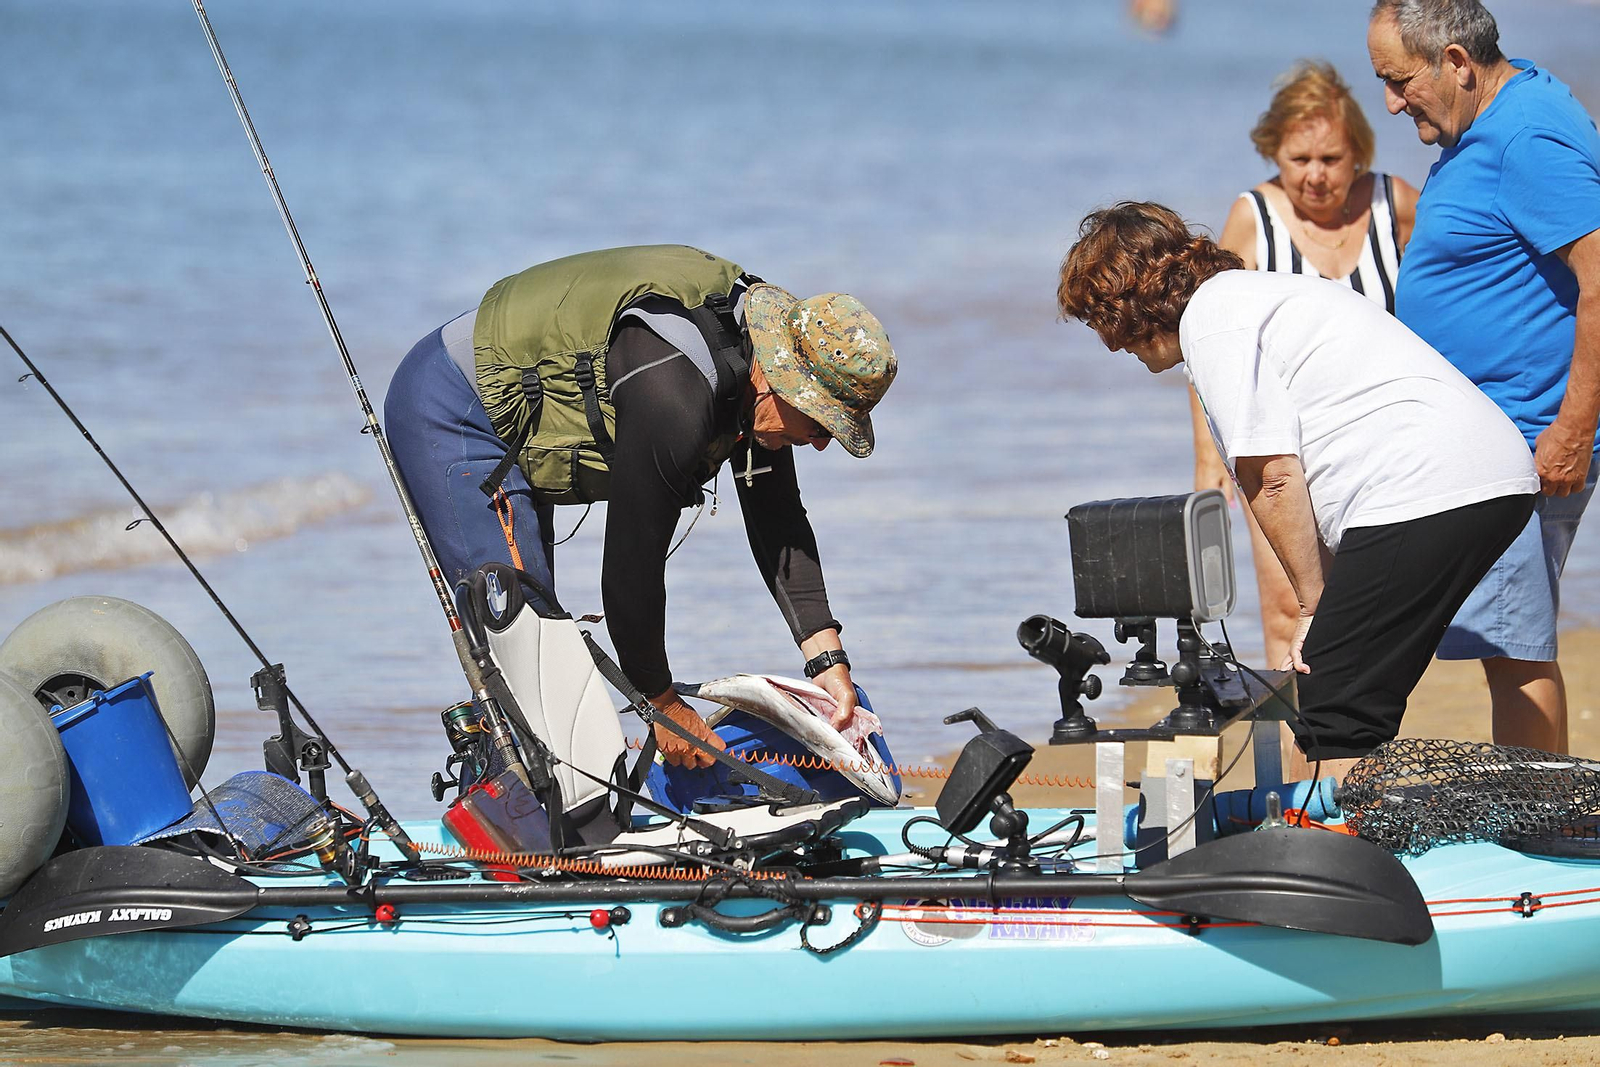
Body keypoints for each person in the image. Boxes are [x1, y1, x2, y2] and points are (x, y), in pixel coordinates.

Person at [1059, 202, 1537, 778]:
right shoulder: (1248, 297)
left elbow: (1274, 475)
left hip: (1429, 484)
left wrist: (1315, 604)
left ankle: (1334, 855)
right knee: (1353, 678)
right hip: (1479, 475)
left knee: (1335, 702)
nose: (1112, 345)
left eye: (1104, 320)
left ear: (1133, 298)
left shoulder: (1214, 321)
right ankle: (1356, 830)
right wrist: (1327, 606)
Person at [383, 245, 897, 769]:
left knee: (541, 651)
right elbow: (631, 565)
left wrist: (828, 661)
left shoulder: (759, 368)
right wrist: (662, 703)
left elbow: (778, 521)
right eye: (820, 423)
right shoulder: (673, 397)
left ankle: (546, 796)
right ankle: (509, 807)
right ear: (780, 380)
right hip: (453, 404)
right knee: (524, 635)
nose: (821, 444)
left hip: (515, 397)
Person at [1367, 0, 1600, 754]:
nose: (1392, 103)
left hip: (1521, 441)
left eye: (1400, 82)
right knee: (1507, 644)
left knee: (1514, 648)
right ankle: (1541, 809)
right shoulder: (1497, 116)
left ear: (1458, 63)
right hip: (1497, 440)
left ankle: (1543, 825)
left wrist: (1571, 429)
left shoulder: (1527, 133)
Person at [1196, 60, 1419, 671]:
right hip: (1281, 453)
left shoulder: (1394, 203)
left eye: (1332, 159)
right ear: (1275, 154)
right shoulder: (1254, 218)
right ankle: (1310, 763)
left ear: (1358, 153)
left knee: (1373, 620)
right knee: (1289, 612)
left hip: (1384, 451)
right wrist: (1210, 460)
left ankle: (1359, 755)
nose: (1317, 177)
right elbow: (1211, 343)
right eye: (1300, 160)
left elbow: (1449, 304)